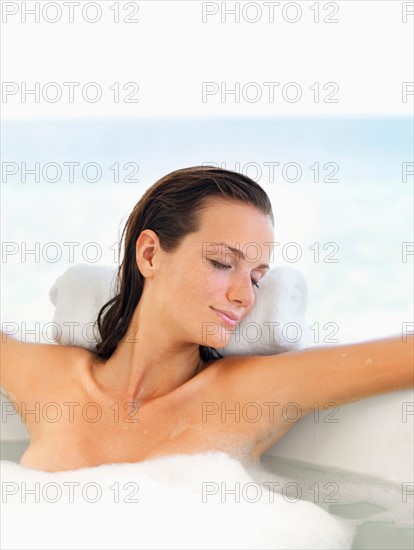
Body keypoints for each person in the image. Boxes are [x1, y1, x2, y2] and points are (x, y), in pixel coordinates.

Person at [1, 166, 412, 472]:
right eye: (221, 262)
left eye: (256, 277)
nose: (244, 295)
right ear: (149, 254)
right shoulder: (52, 379)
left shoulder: (244, 394)